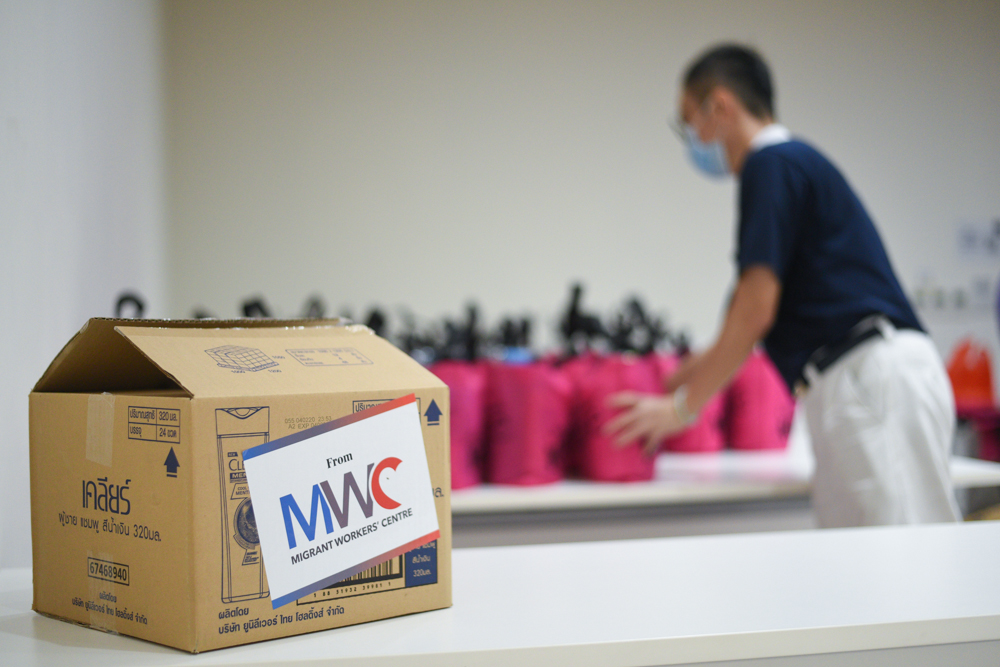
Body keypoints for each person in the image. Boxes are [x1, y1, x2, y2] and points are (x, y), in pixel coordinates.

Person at [605, 43, 961, 528]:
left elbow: (754, 312)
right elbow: (742, 317)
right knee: (861, 560)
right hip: (847, 382)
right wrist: (670, 381)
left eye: (688, 123)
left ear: (720, 106)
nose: (693, 140)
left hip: (870, 377)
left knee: (906, 559)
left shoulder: (771, 165)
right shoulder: (787, 170)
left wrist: (682, 409)